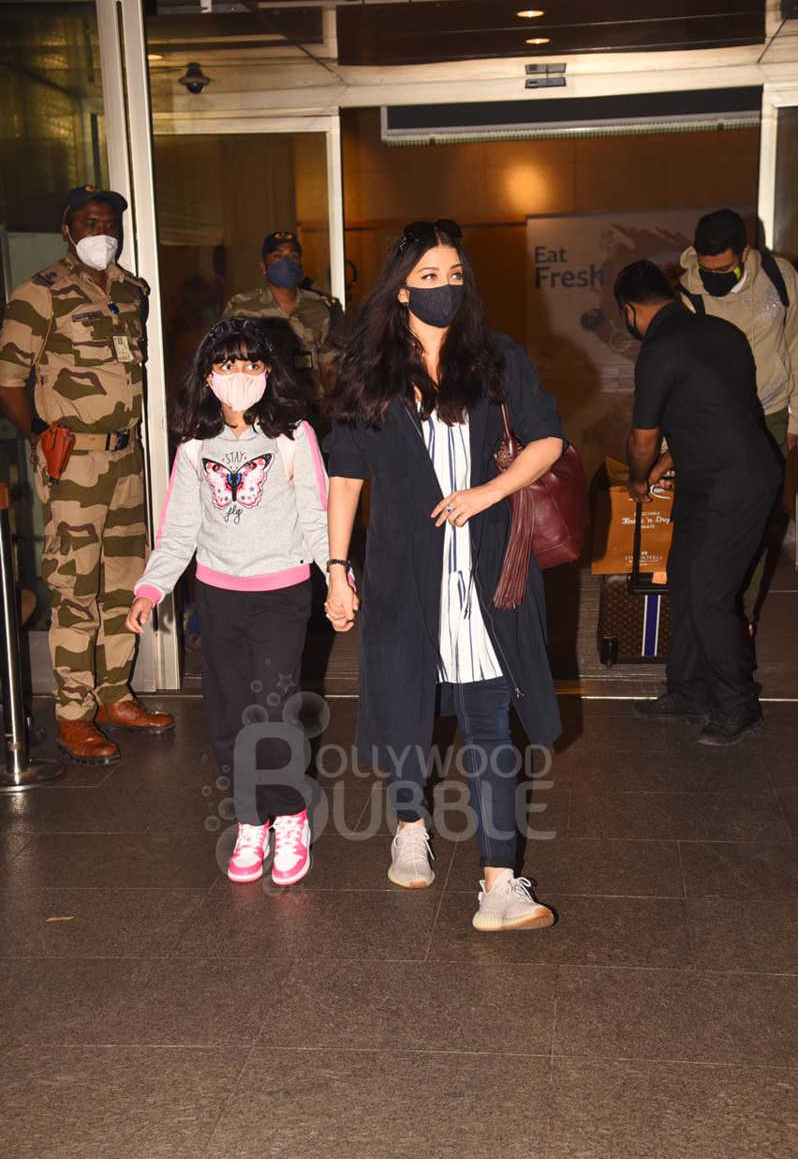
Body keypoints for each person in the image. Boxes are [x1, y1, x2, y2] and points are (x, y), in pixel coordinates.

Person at [325, 218, 564, 932]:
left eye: (455, 276)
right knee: (408, 710)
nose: (446, 289)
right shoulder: (369, 374)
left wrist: (487, 494)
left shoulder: (497, 361)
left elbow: (548, 438)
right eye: (430, 277)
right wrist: (337, 569)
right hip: (405, 574)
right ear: (400, 290)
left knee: (491, 723)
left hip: (488, 574)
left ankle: (499, 884)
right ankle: (409, 823)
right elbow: (344, 478)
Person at [126, 317, 330, 886]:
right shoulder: (195, 445)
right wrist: (151, 587)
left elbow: (317, 517)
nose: (239, 375)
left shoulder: (294, 436)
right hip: (218, 597)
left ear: (270, 372)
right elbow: (178, 530)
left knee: (272, 710)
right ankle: (250, 819)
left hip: (282, 595)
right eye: (226, 364)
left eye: (251, 363)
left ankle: (289, 814)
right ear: (208, 375)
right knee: (227, 718)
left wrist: (338, 579)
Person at [0, 185, 174, 764]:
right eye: (90, 221)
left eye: (111, 222)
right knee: (76, 587)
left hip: (127, 457)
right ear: (68, 229)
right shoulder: (39, 294)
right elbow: (9, 379)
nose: (104, 231)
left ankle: (113, 695)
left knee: (126, 579)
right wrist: (38, 434)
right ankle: (73, 714)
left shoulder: (131, 291)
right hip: (73, 459)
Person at [618, 259, 782, 746]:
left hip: (733, 485)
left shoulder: (658, 348)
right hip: (722, 474)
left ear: (630, 311)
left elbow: (642, 439)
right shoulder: (721, 331)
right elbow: (718, 410)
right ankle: (687, 690)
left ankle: (738, 705)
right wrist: (674, 460)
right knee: (686, 578)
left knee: (709, 592)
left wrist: (640, 477)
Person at [679, 209, 798, 628]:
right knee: (724, 525)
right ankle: (722, 616)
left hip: (772, 416)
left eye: (725, 269)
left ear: (745, 253)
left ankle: (741, 619)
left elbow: (796, 344)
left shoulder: (779, 276)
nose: (715, 278)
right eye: (707, 269)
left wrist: (796, 420)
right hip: (719, 424)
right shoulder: (687, 291)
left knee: (762, 523)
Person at [223, 230, 341, 419]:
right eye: (278, 256)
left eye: (293, 256)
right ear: (263, 267)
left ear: (301, 265)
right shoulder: (242, 309)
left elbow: (330, 364)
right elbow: (227, 365)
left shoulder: (320, 308)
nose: (286, 262)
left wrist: (332, 404)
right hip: (259, 410)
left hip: (310, 409)